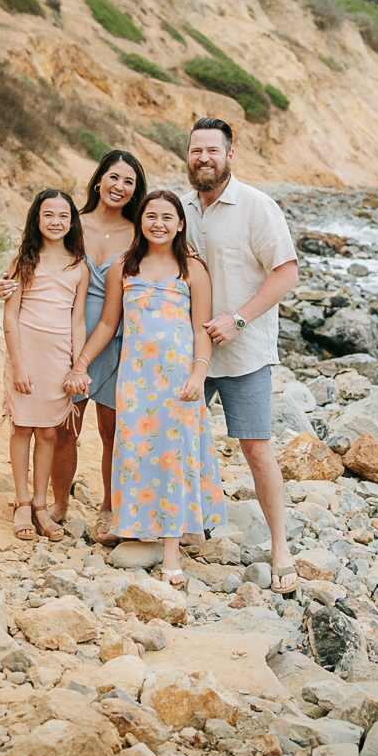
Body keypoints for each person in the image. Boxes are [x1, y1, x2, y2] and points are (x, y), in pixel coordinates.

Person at [66, 191, 226, 585]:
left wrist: (198, 373)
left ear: (180, 223)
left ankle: (171, 548)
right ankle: (135, 524)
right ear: (141, 221)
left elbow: (200, 329)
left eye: (167, 216)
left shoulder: (192, 269)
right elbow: (107, 324)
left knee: (174, 458)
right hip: (135, 381)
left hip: (178, 382)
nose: (158, 223)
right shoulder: (124, 266)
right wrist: (82, 362)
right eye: (151, 215)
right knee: (134, 452)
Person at [0, 151, 147, 540]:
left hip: (118, 340)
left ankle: (109, 508)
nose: (119, 186)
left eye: (129, 181)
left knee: (112, 429)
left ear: (135, 191)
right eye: (113, 177)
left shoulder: (140, 231)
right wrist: (6, 284)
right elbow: (34, 264)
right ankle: (56, 503)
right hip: (63, 345)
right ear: (98, 180)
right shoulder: (69, 222)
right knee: (63, 429)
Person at [181, 117, 300, 594]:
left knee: (256, 449)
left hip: (245, 352)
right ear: (188, 157)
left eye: (212, 150)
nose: (203, 158)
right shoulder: (182, 207)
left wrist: (239, 318)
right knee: (179, 439)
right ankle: (179, 527)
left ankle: (280, 546)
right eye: (195, 151)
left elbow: (286, 272)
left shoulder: (256, 206)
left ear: (231, 155)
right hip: (191, 352)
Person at [2, 190, 90, 542]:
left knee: (50, 432)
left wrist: (77, 367)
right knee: (22, 427)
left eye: (63, 216)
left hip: (58, 358)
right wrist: (18, 365)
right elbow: (10, 316)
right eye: (49, 215)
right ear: (37, 219)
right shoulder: (23, 260)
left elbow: (78, 319)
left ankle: (42, 505)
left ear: (72, 222)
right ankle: (22, 502)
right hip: (25, 354)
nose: (56, 222)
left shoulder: (78, 266)